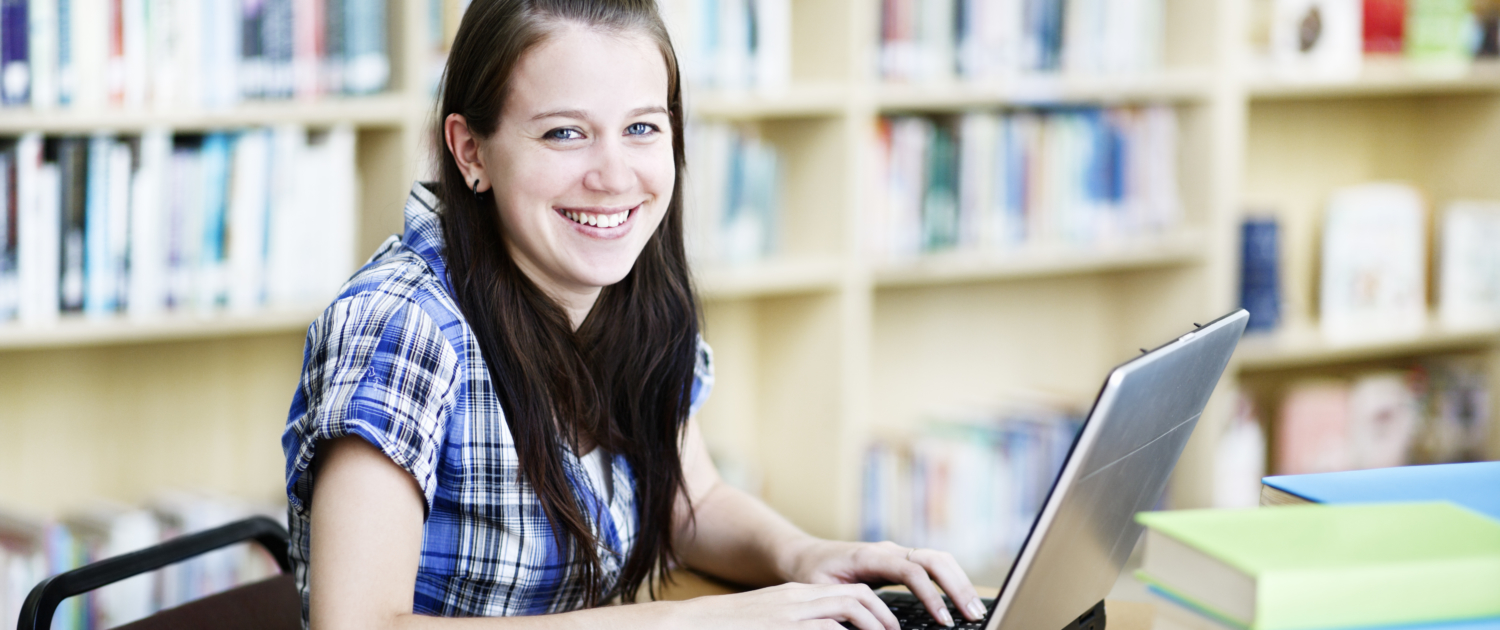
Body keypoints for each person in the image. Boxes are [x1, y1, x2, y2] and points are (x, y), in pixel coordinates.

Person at [281, 1, 985, 628]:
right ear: (471, 152)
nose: (614, 175)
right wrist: (695, 622)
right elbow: (359, 623)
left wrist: (806, 556)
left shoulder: (625, 291)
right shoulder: (401, 326)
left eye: (643, 128)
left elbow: (688, 500)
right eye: (564, 134)